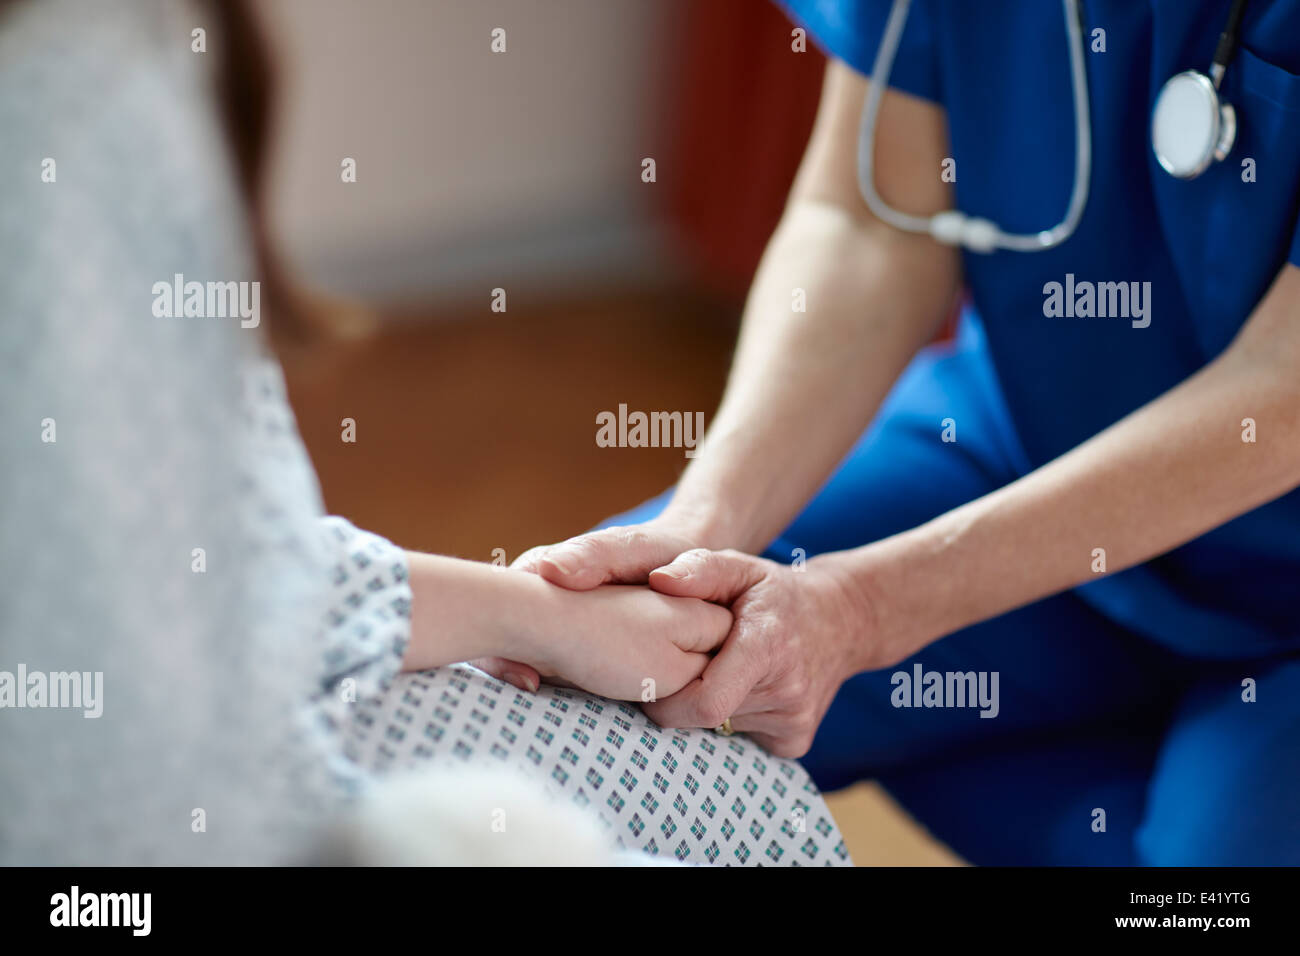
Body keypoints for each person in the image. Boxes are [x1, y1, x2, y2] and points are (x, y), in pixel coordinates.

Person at [0, 0, 849, 866]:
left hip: (248, 700)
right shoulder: (80, 93)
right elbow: (136, 784)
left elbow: (210, 565)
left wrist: (538, 613)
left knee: (745, 797)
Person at [480, 0, 1300, 865]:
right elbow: (872, 221)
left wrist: (861, 612)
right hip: (1008, 453)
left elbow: (1281, 393)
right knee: (575, 687)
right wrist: (697, 537)